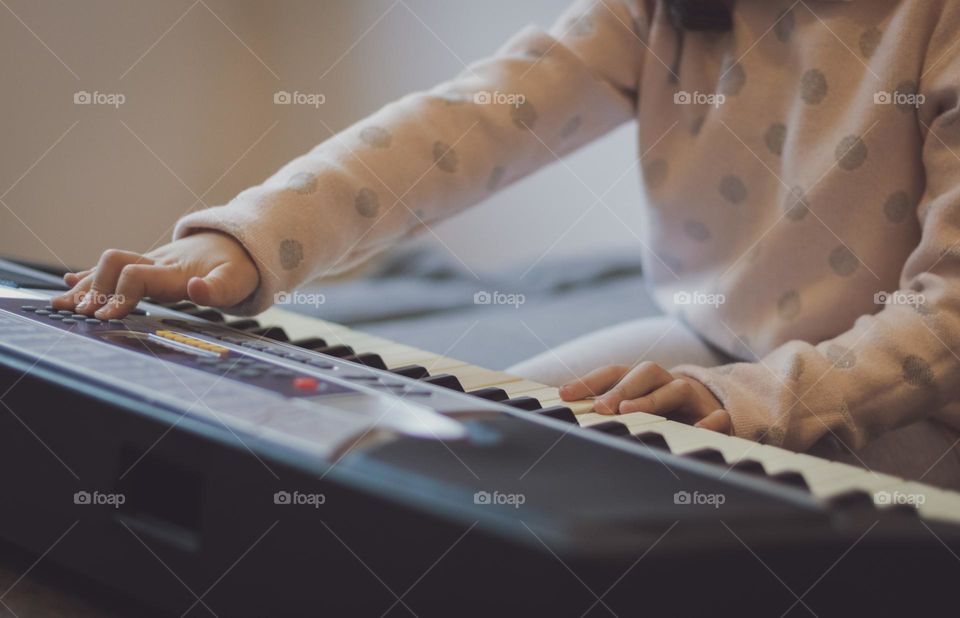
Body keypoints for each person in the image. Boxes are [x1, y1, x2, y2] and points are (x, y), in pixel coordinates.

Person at [52, 0, 960, 485]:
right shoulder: (661, 9)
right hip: (718, 341)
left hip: (915, 406)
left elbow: (947, 319)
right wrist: (256, 239)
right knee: (457, 459)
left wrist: (762, 399)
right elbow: (466, 122)